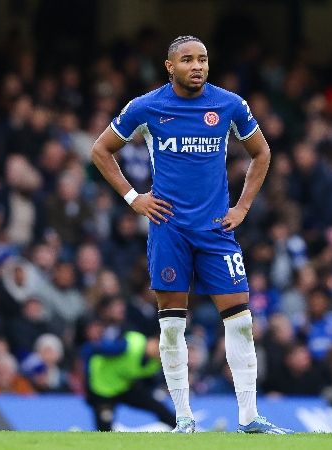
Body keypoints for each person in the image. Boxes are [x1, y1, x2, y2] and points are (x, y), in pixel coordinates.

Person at [91, 35, 290, 434]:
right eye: (187, 60)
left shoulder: (229, 104)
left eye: (202, 59)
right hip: (169, 229)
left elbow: (262, 153)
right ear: (170, 67)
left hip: (216, 230)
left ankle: (249, 418)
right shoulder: (146, 107)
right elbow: (101, 150)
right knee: (171, 326)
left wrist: (243, 207)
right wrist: (134, 198)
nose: (197, 66)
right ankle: (184, 418)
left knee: (241, 321)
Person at [83, 328, 175, 431]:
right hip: (101, 389)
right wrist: (87, 380)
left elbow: (149, 381)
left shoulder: (155, 363)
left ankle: (183, 430)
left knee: (158, 407)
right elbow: (90, 349)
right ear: (153, 341)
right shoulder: (128, 346)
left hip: (124, 388)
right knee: (104, 426)